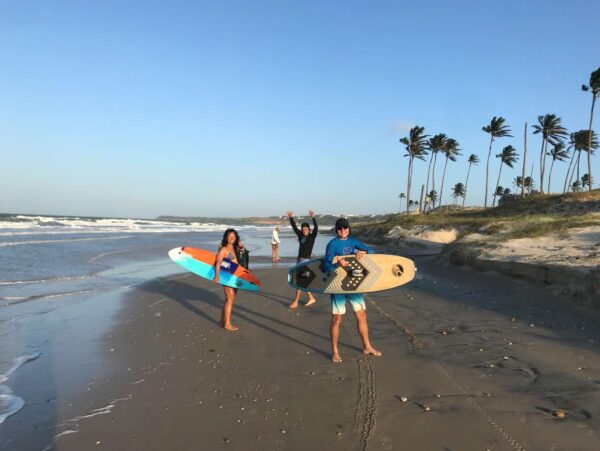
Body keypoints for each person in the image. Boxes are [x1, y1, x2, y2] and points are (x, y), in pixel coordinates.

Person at [323, 218, 382, 363]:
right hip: (338, 285)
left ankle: (367, 346)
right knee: (337, 319)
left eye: (345, 228)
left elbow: (372, 251)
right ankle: (335, 352)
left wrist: (363, 252)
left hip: (353, 283)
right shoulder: (332, 244)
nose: (343, 231)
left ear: (349, 228)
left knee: (361, 316)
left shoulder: (353, 241)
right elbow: (325, 264)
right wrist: (337, 264)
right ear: (336, 230)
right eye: (340, 229)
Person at [213, 228, 248, 332]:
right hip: (226, 277)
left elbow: (243, 261)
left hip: (236, 276)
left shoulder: (236, 248)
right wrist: (217, 276)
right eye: (230, 236)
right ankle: (227, 324)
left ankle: (222, 320)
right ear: (226, 238)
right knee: (229, 299)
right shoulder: (224, 249)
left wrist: (243, 250)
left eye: (234, 236)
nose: (232, 238)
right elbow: (218, 262)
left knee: (230, 299)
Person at [287, 210, 318, 308]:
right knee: (300, 281)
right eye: (303, 229)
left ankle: (296, 302)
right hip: (299, 260)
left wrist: (313, 217)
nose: (305, 230)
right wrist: (290, 217)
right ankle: (311, 298)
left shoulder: (312, 237)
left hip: (305, 261)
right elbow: (294, 228)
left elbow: (316, 228)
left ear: (309, 229)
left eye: (306, 229)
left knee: (300, 281)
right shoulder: (300, 236)